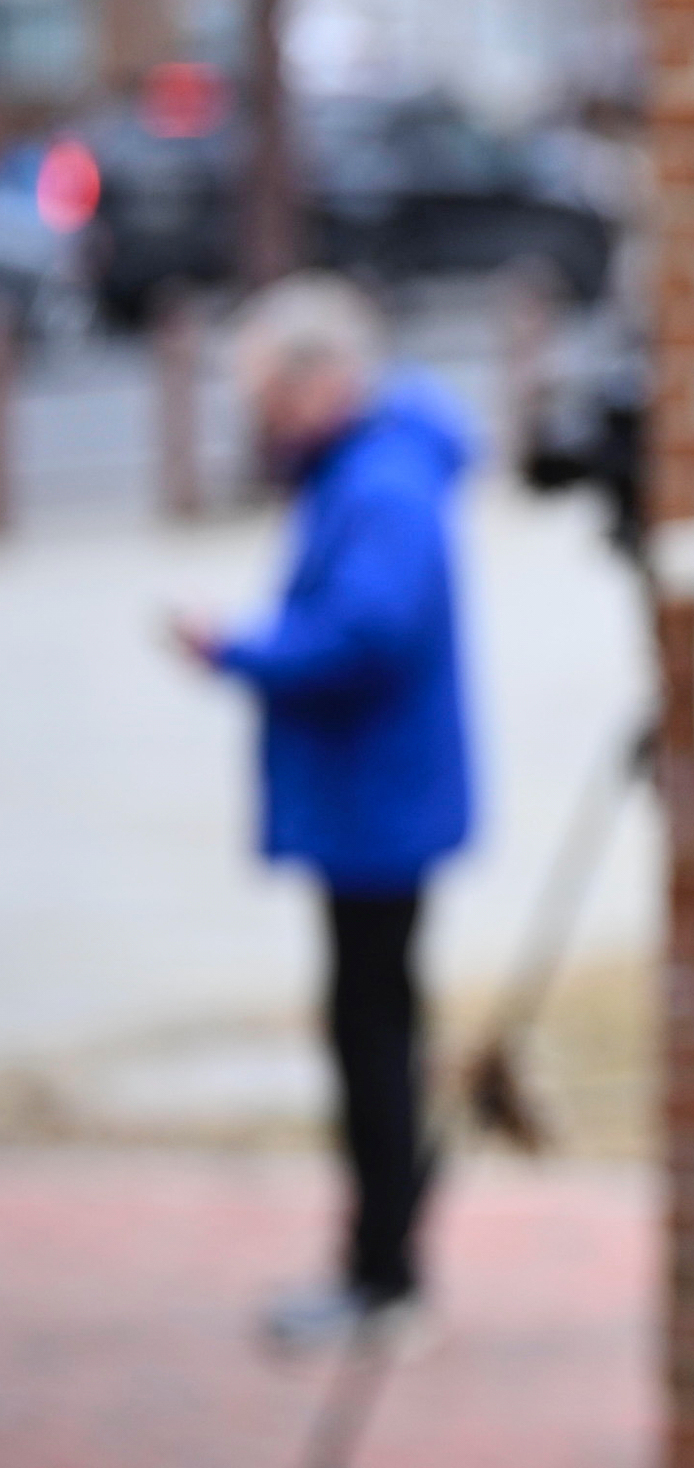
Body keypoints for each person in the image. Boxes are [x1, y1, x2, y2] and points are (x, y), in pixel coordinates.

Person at [173, 273, 475, 1346]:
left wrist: (237, 646)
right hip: (379, 799)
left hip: (374, 806)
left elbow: (367, 633)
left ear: (324, 378)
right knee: (375, 1023)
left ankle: (382, 1271)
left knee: (371, 1035)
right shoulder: (376, 462)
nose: (263, 416)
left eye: (269, 392)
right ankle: (380, 1259)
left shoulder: (380, 477)